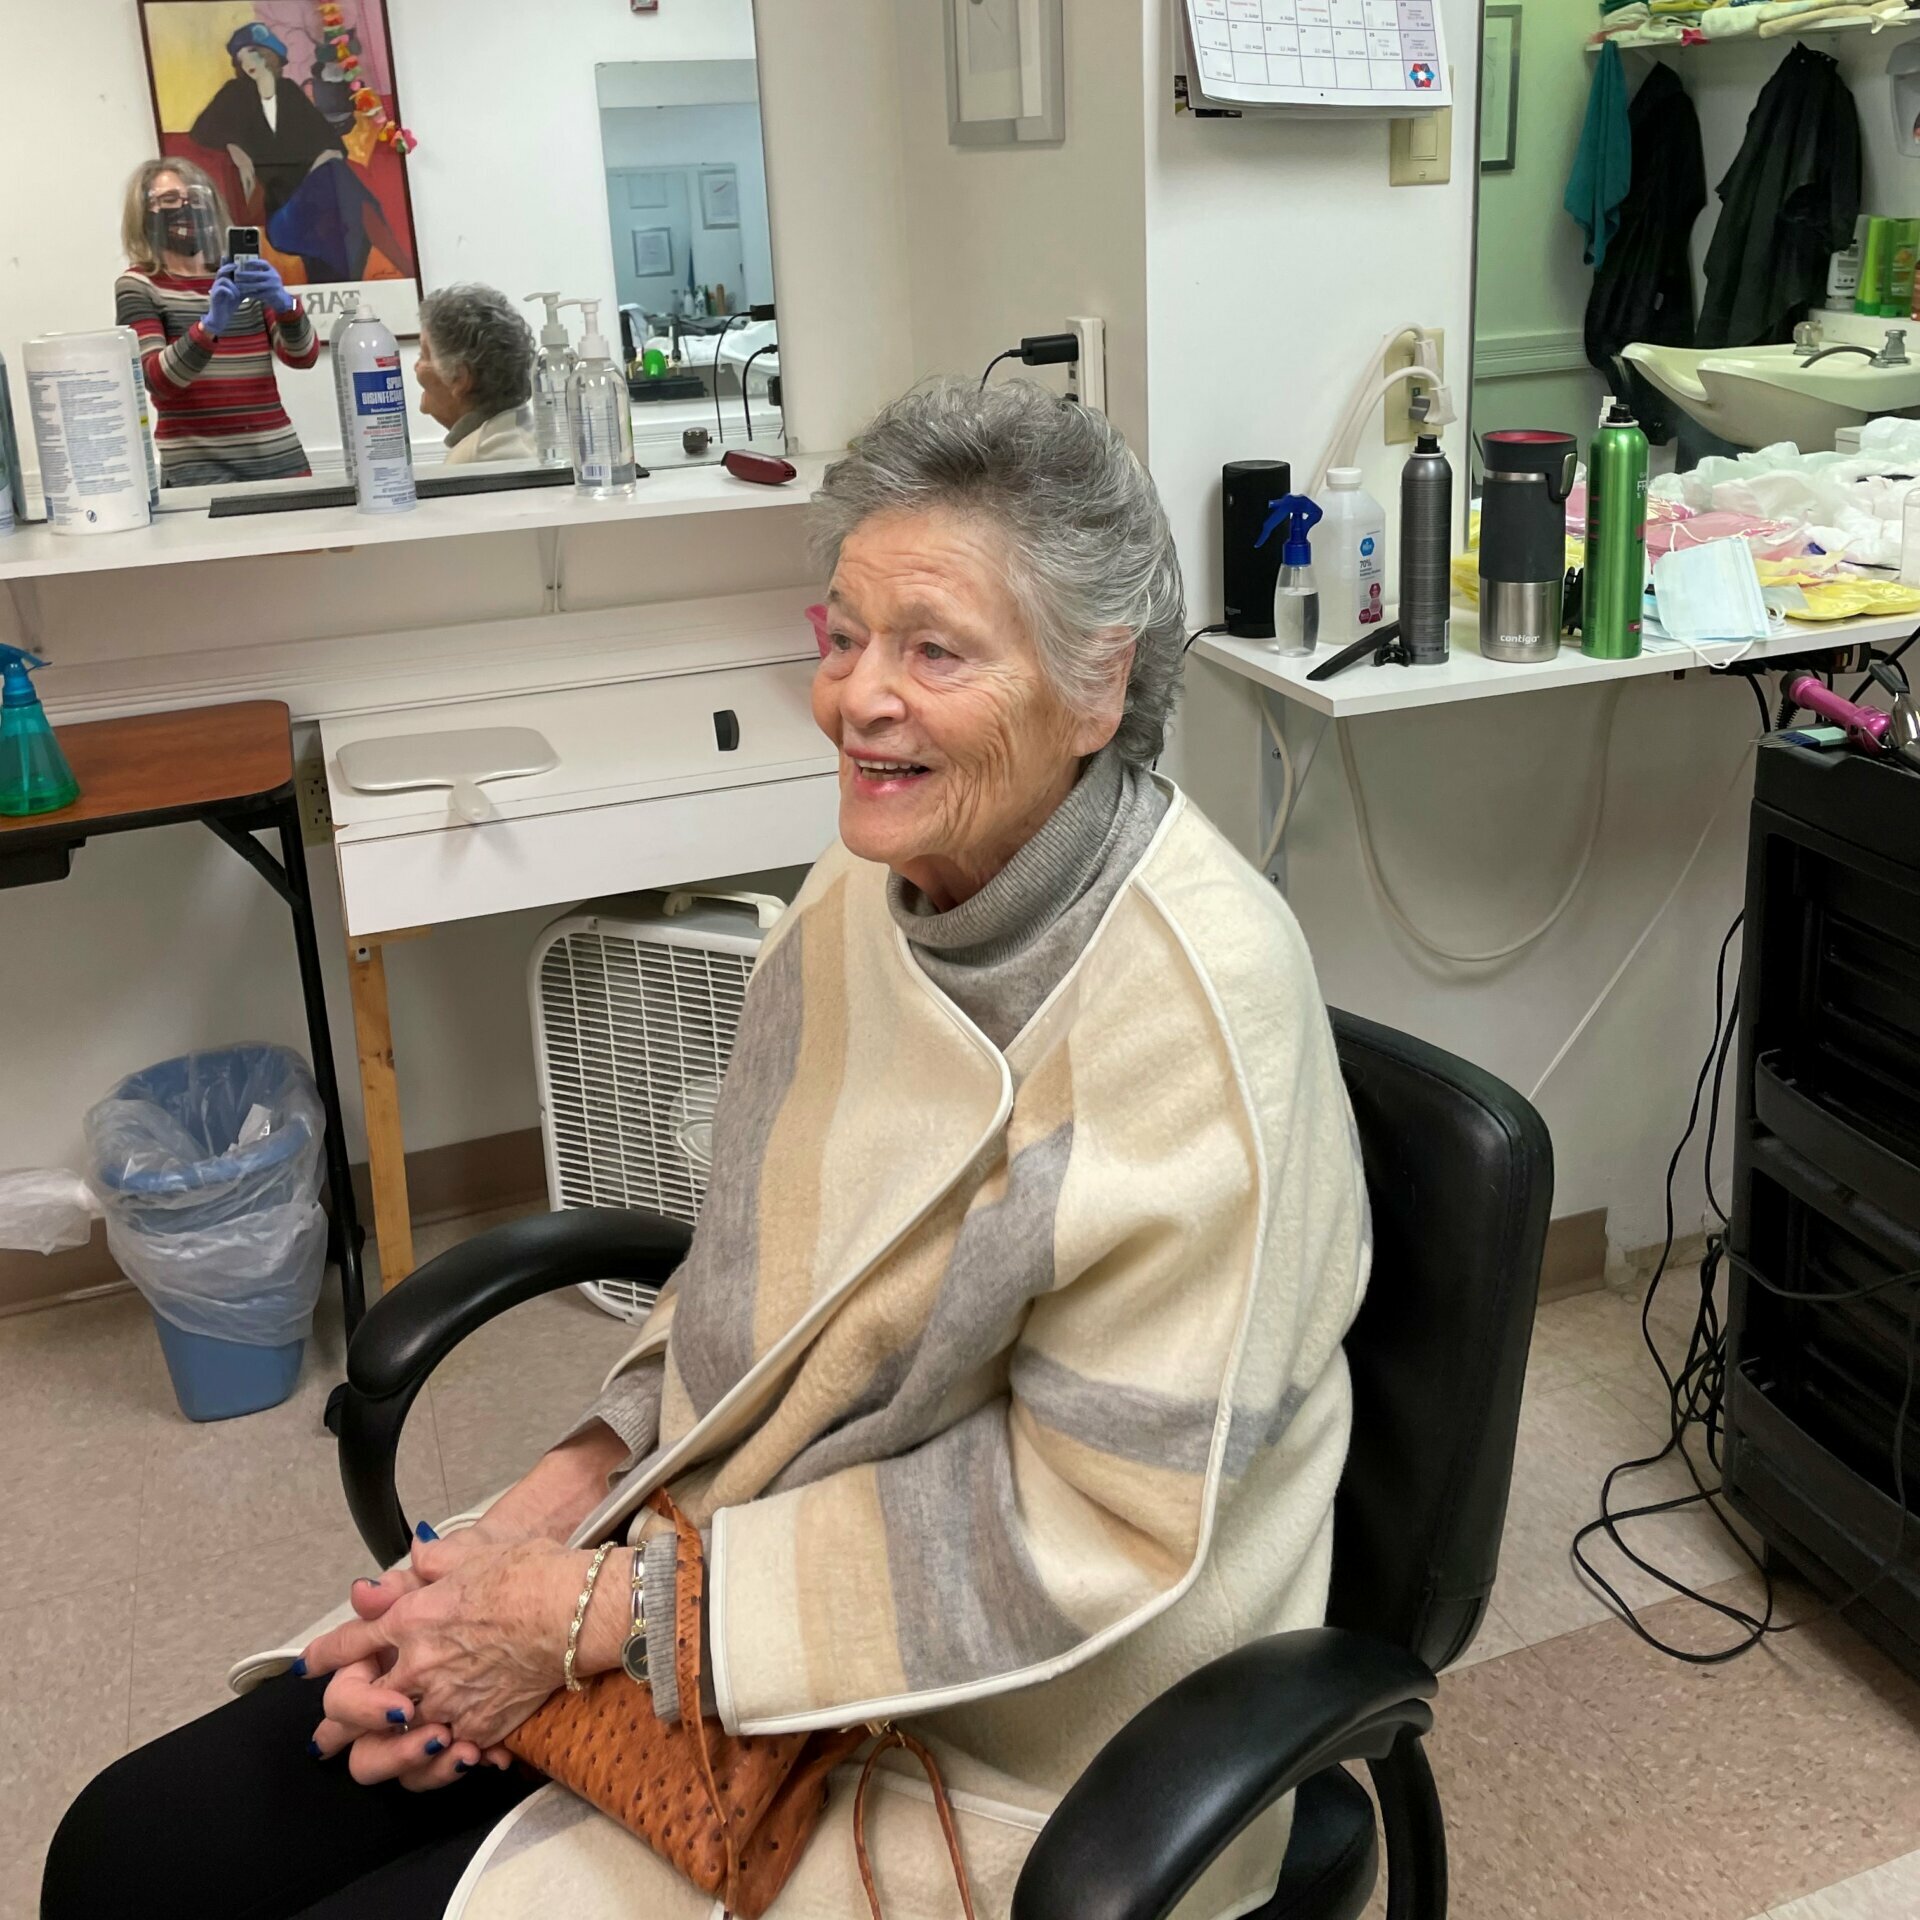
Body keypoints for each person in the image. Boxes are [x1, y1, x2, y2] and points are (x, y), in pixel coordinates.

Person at [45, 380, 1372, 1920]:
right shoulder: (863, 898)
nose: (856, 698)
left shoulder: (1192, 1019)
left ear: (1097, 686)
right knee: (133, 1852)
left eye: (932, 650)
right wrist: (535, 1529)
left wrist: (586, 1619)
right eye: (843, 635)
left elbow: (1081, 1531)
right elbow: (758, 1289)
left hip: (1017, 1726)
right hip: (727, 1578)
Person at [114, 157, 317, 486]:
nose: (184, 209)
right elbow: (155, 378)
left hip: (280, 464)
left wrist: (285, 303)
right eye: (169, 200)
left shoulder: (241, 274)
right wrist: (211, 325)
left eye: (195, 198)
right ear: (143, 213)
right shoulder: (139, 284)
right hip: (198, 475)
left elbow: (302, 356)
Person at [189, 22, 402, 285]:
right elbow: (201, 131)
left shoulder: (289, 91)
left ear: (271, 55)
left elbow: (332, 144)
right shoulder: (235, 94)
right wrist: (234, 148)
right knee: (350, 203)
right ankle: (385, 252)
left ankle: (348, 285)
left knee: (336, 182)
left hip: (315, 202)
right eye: (241, 57)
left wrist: (322, 165)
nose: (248, 61)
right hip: (281, 213)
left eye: (254, 52)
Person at [416, 285, 539, 466]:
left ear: (459, 378)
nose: (416, 367)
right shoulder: (518, 431)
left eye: (424, 355)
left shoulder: (483, 454)